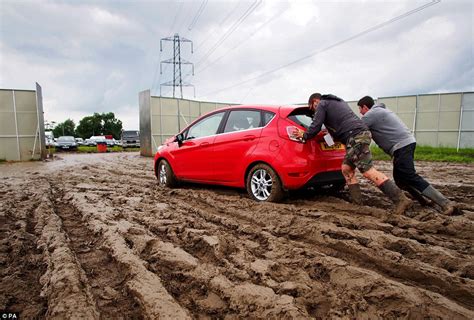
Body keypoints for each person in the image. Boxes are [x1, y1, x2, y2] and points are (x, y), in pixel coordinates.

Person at [294, 93, 413, 215]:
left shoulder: (322, 104)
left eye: (312, 107)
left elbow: (316, 125)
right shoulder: (337, 102)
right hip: (358, 135)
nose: (314, 110)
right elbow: (339, 123)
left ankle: (401, 199)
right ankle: (358, 203)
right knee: (346, 169)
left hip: (355, 137)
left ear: (314, 101)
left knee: (368, 171)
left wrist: (304, 135)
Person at [357, 95, 456, 215]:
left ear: (365, 107)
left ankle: (446, 203)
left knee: (410, 176)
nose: (360, 113)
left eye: (360, 109)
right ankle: (423, 201)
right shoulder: (381, 111)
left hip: (401, 146)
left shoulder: (371, 114)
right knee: (400, 180)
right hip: (404, 144)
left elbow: (357, 128)